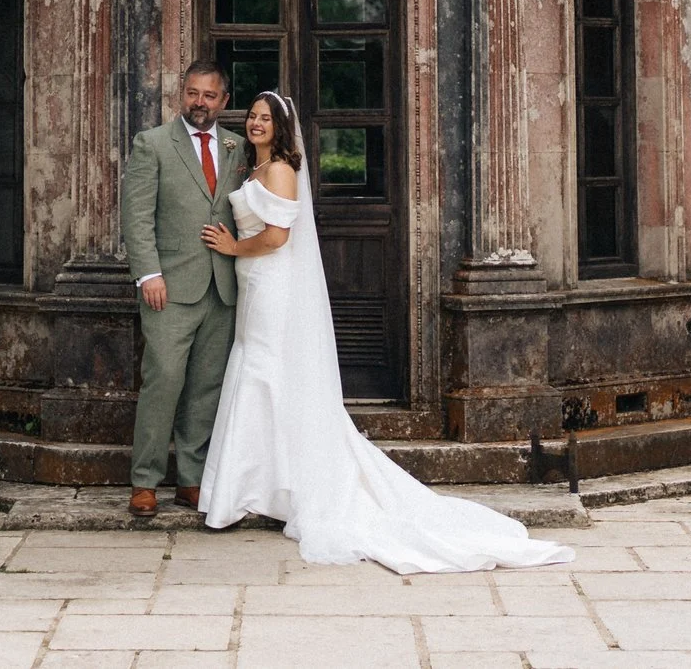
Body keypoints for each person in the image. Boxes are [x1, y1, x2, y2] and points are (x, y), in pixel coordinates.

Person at [196, 88, 574, 572]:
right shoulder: (251, 167)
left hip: (271, 284)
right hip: (253, 285)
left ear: (280, 127)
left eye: (265, 118)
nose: (255, 124)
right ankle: (259, 485)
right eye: (251, 116)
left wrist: (231, 249)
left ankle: (268, 487)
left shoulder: (281, 170)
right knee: (258, 372)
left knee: (267, 373)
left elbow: (276, 237)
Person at [119, 60, 249, 519]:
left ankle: (191, 479)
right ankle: (145, 481)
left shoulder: (238, 148)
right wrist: (148, 274)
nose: (200, 103)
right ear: (183, 94)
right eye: (193, 93)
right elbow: (136, 216)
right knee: (164, 381)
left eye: (210, 95)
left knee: (205, 386)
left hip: (223, 288)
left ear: (224, 101)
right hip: (168, 288)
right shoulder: (152, 144)